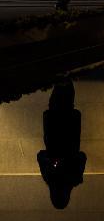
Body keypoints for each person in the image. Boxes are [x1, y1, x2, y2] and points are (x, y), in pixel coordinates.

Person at [37, 79, 87, 209]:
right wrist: (52, 160)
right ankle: (64, 75)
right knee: (58, 99)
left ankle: (66, 75)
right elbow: (40, 155)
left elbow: (82, 156)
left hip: (68, 130)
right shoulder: (50, 178)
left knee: (65, 98)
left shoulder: (73, 178)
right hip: (55, 131)